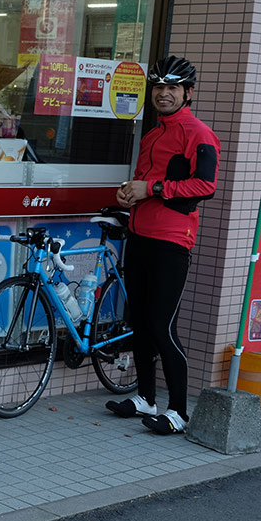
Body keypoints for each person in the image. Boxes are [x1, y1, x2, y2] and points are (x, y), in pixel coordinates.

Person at [107, 55, 219, 435]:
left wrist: (152, 189)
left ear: (188, 93)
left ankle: (179, 411)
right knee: (138, 321)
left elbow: (205, 186)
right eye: (158, 87)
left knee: (162, 326)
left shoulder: (199, 134)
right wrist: (129, 195)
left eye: (172, 88)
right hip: (140, 235)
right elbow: (144, 181)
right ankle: (145, 398)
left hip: (172, 241)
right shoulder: (153, 135)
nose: (164, 94)